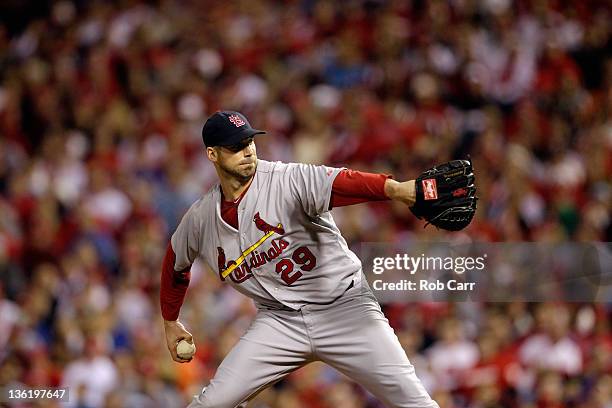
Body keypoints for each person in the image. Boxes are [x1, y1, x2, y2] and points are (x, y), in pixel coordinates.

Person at [160, 110, 439, 408]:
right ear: (212, 154)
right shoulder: (201, 219)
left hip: (345, 308)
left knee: (415, 403)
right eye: (235, 147)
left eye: (249, 142)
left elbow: (341, 182)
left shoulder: (285, 178)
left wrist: (395, 189)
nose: (247, 152)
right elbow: (175, 264)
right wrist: (170, 321)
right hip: (279, 322)